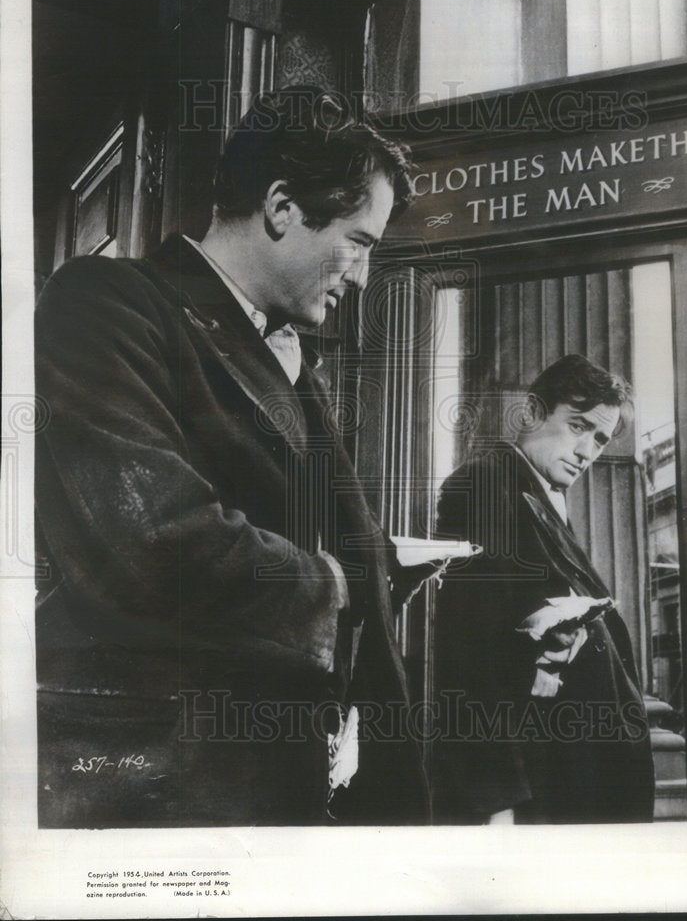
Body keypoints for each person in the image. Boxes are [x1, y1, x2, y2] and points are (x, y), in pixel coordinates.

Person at [35, 87, 433, 827]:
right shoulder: (101, 300)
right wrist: (341, 580)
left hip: (264, 783)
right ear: (282, 208)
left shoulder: (284, 356)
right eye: (360, 241)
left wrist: (378, 563)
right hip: (160, 792)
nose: (362, 274)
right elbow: (153, 544)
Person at [433, 354, 655, 824]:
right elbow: (469, 650)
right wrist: (498, 797)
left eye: (600, 439)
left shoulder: (534, 494)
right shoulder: (487, 483)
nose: (588, 451)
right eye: (578, 426)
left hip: (563, 773)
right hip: (542, 780)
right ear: (533, 412)